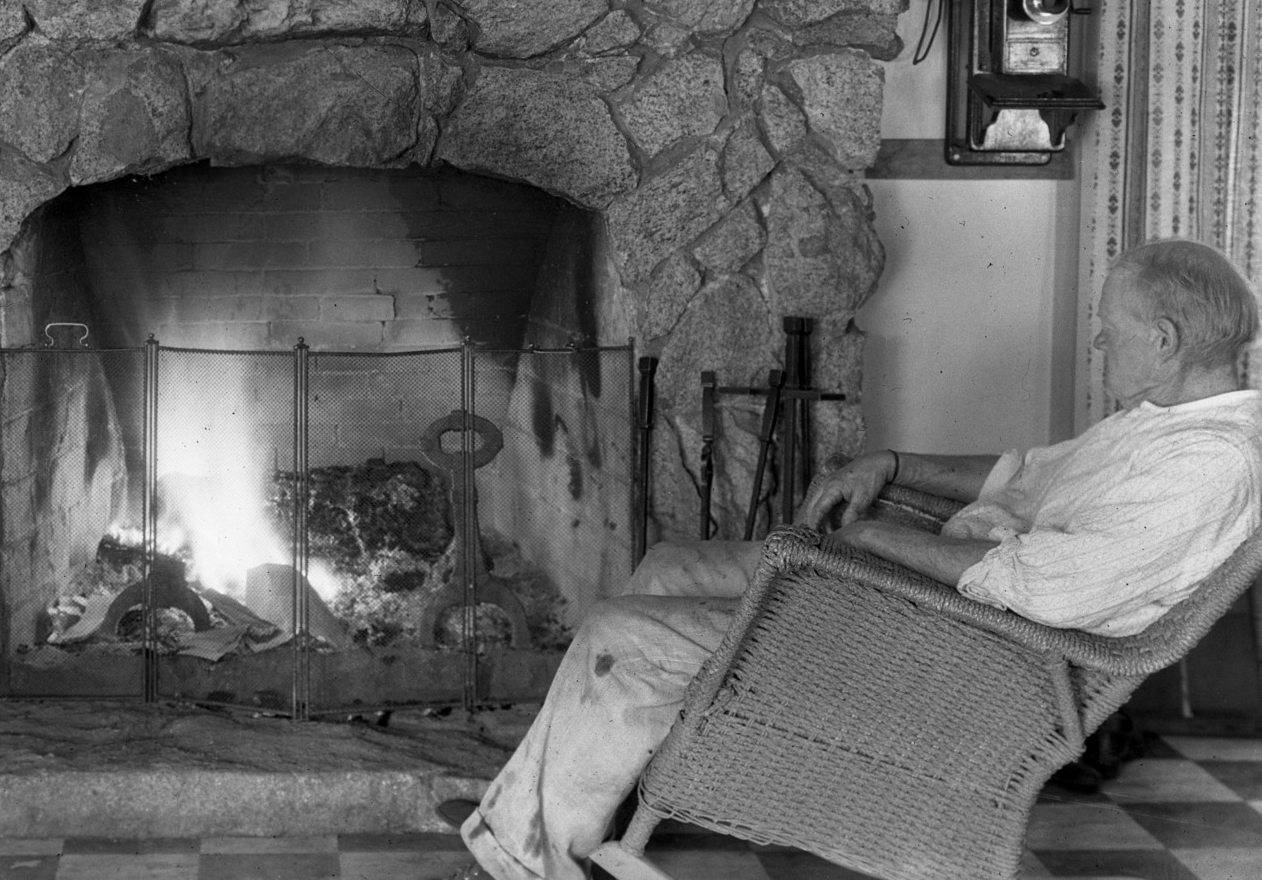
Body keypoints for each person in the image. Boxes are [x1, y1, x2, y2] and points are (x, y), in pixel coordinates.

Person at [458, 239, 1262, 880]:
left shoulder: (1208, 463)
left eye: (1106, 327)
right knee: (670, 566)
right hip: (930, 608)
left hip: (964, 655)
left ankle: (524, 855)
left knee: (620, 632)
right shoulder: (1162, 419)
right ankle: (558, 799)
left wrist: (872, 538)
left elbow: (1038, 585)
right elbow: (1021, 477)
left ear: (1162, 340)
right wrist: (893, 463)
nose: (1094, 340)